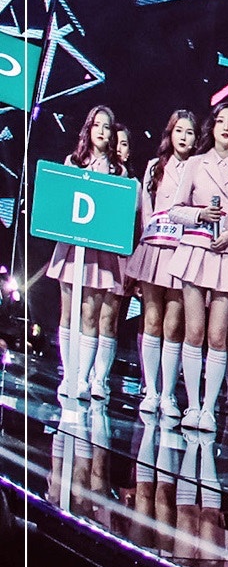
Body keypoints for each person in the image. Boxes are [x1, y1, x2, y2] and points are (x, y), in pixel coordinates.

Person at [164, 102, 228, 433]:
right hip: (196, 251)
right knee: (193, 330)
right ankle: (192, 405)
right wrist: (199, 214)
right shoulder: (195, 163)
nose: (226, 127)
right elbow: (175, 210)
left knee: (218, 334)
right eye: (221, 121)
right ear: (213, 126)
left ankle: (209, 409)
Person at [49, 105, 127, 400]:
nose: (101, 131)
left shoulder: (118, 171)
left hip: (99, 252)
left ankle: (83, 378)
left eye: (107, 126)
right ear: (88, 129)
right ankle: (68, 376)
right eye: (97, 125)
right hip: (71, 248)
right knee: (68, 312)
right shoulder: (74, 162)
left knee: (90, 315)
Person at [129, 110, 197, 417]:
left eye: (189, 132)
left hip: (183, 252)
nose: (183, 137)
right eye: (179, 130)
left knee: (174, 324)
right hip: (155, 248)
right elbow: (146, 210)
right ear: (170, 134)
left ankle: (168, 394)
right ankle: (151, 390)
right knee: (152, 320)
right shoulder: (154, 167)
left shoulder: (198, 169)